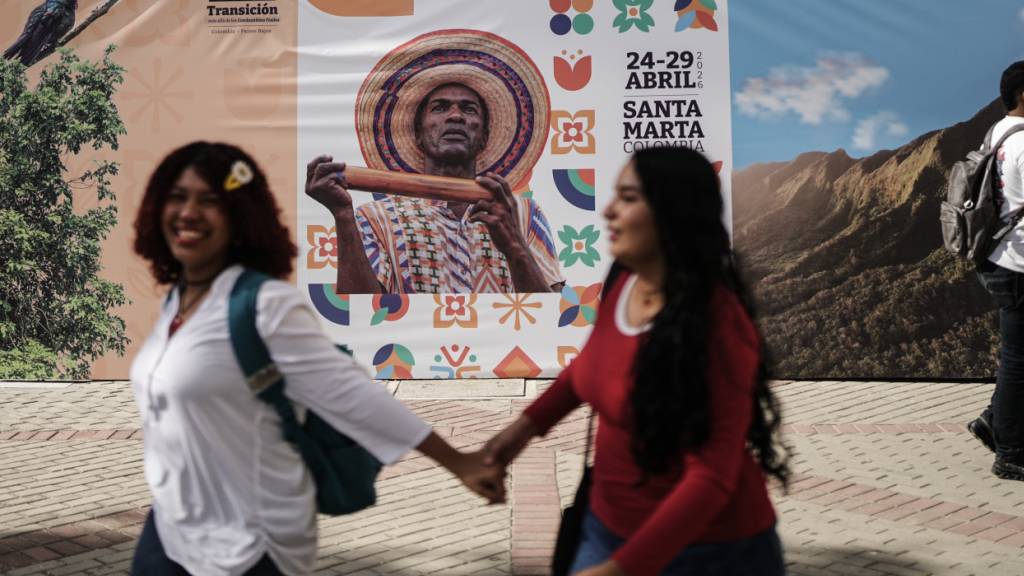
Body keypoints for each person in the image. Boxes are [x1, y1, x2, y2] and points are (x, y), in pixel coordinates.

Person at [129, 141, 505, 576]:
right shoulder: (177, 302)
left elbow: (352, 392)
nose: (188, 212)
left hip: (247, 546)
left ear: (238, 218)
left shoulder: (264, 305)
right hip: (171, 529)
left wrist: (458, 462)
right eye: (177, 197)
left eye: (209, 201)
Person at [483, 147, 790, 576]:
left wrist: (621, 569)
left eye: (628, 198)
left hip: (710, 553)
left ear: (672, 214)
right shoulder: (625, 278)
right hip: (603, 530)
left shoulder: (718, 325)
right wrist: (517, 435)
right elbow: (591, 367)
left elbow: (711, 477)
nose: (608, 211)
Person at [305, 30, 563, 294]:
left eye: (469, 109)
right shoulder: (374, 219)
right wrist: (342, 215)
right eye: (439, 107)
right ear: (418, 132)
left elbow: (551, 318)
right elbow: (361, 313)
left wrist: (514, 244)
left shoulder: (524, 215)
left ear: (484, 135)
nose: (455, 116)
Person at [969, 60, 1024, 482]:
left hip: (1000, 258)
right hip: (1019, 266)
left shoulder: (998, 131)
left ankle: (992, 419)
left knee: (1016, 358)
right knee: (1018, 361)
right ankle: (1011, 453)